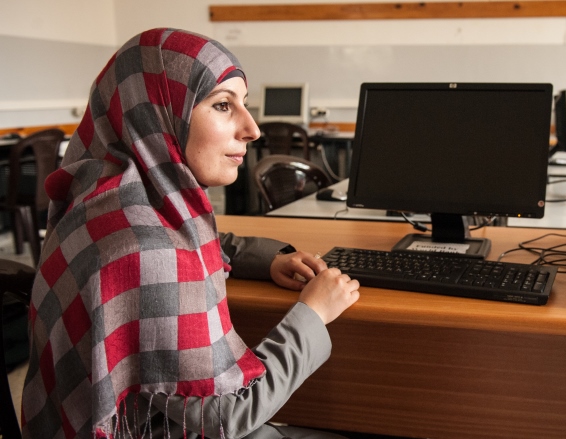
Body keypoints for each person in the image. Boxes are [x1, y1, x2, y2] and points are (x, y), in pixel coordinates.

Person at [20, 28, 360, 438]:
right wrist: (314, 313)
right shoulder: (146, 252)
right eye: (222, 105)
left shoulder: (105, 202)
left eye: (245, 106)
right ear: (158, 115)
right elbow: (227, 416)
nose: (252, 129)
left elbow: (192, 237)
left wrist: (267, 258)